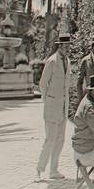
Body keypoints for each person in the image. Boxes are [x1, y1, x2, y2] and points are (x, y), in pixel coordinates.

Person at [36, 32, 72, 181]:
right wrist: (48, 100)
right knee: (50, 139)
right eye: (67, 45)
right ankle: (39, 169)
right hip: (52, 106)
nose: (69, 48)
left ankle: (53, 170)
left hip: (63, 108)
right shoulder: (52, 61)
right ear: (61, 46)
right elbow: (42, 84)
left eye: (69, 45)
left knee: (60, 140)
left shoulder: (67, 61)